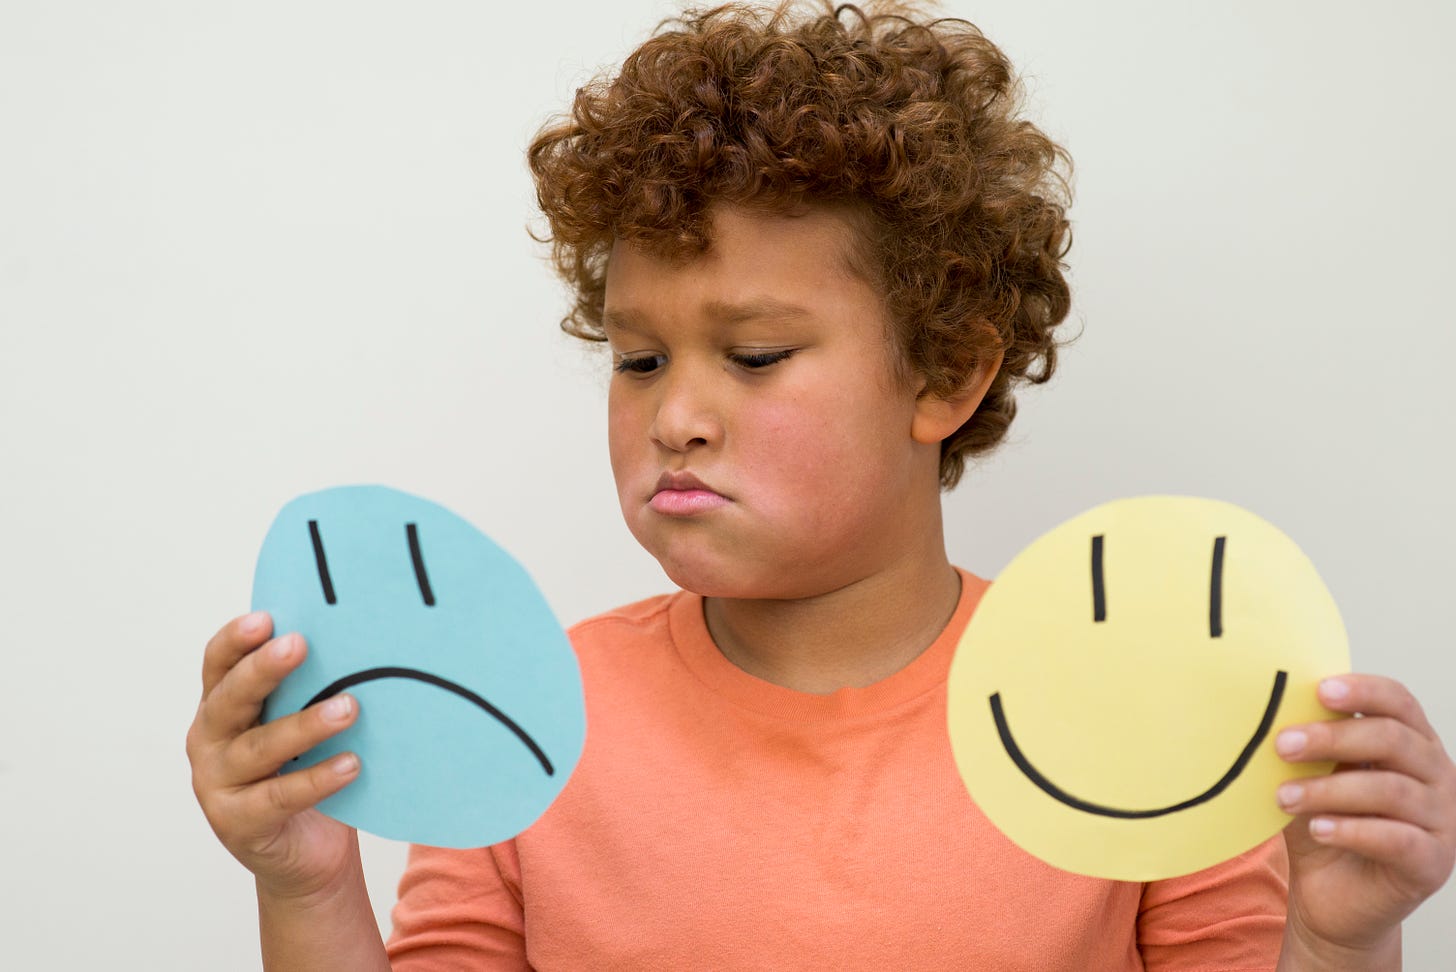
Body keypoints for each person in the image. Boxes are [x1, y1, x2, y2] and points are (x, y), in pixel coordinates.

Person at [185, 2, 1456, 968]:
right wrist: (304, 887)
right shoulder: (523, 720)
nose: (674, 416)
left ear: (945, 373)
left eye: (753, 356)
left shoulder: (1137, 719)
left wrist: (1338, 941)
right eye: (637, 358)